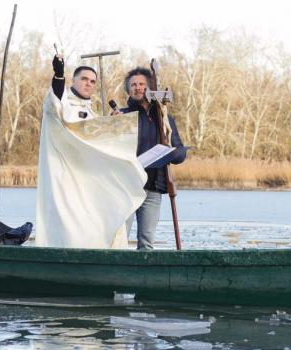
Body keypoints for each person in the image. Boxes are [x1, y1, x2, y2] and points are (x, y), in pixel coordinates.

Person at [35, 54, 147, 249]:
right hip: (65, 177)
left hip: (88, 179)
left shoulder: (91, 113)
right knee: (71, 226)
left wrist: (113, 126)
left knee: (105, 218)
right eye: (84, 79)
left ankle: (104, 256)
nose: (88, 84)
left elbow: (99, 144)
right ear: (73, 80)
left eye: (93, 81)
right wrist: (59, 75)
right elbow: (57, 101)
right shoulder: (62, 105)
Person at [119, 67, 187, 250]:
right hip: (126, 186)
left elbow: (179, 153)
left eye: (141, 84)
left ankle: (143, 268)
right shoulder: (122, 116)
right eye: (133, 85)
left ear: (150, 88)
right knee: (119, 239)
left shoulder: (164, 118)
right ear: (129, 90)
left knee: (147, 242)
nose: (137, 87)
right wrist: (113, 125)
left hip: (153, 187)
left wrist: (174, 153)